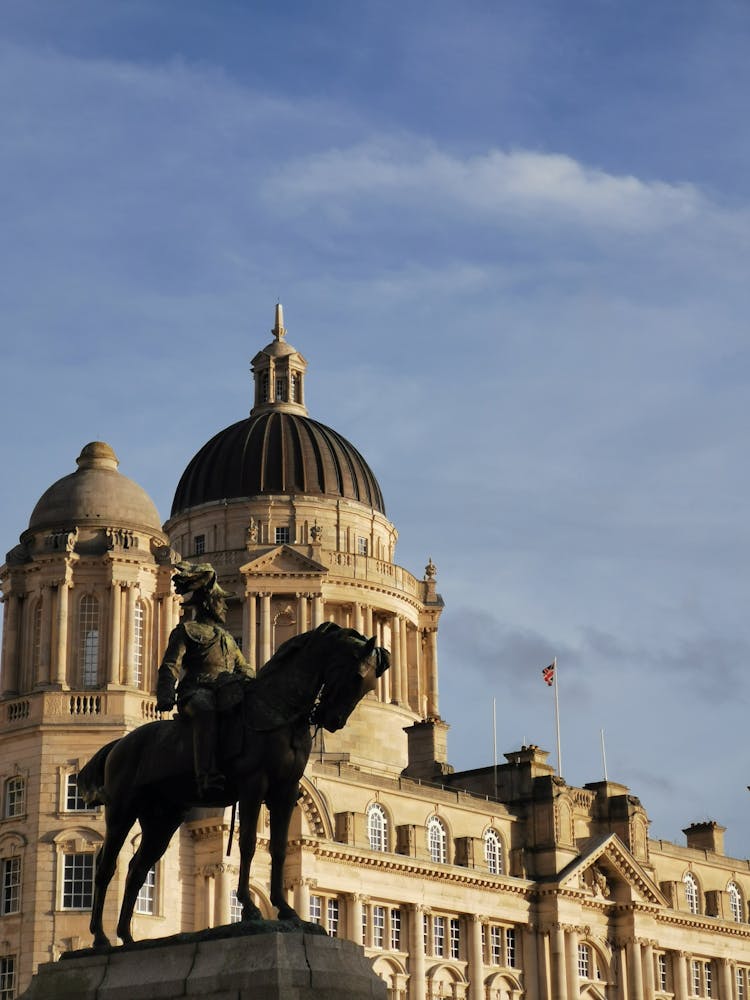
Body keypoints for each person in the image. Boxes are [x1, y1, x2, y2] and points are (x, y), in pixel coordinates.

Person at [156, 562, 254, 797]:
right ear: (209, 602)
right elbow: (171, 665)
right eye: (221, 602)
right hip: (196, 692)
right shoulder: (187, 631)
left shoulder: (227, 639)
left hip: (226, 691)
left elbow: (245, 668)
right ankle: (206, 774)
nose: (225, 608)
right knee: (206, 709)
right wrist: (166, 694)